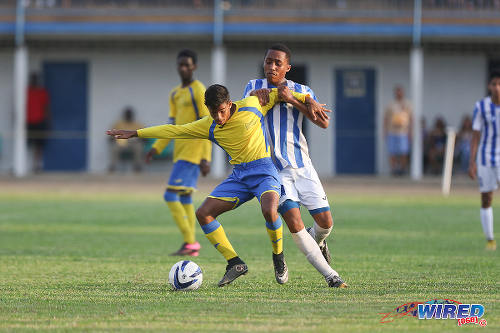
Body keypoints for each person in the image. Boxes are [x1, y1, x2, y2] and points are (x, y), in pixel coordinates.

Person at [107, 84, 333, 287]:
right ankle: (235, 262)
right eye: (213, 111)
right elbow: (175, 130)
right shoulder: (208, 125)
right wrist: (136, 133)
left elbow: (282, 93)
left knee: (269, 209)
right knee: (204, 213)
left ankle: (278, 257)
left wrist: (309, 100)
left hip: (265, 171)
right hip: (239, 177)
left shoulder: (253, 105)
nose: (218, 116)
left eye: (221, 111)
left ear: (230, 103)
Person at [243, 43, 347, 288]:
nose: (272, 66)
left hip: (302, 165)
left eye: (278, 63)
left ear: (287, 67)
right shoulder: (253, 87)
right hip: (272, 169)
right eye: (268, 61)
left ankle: (318, 240)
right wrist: (255, 100)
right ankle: (332, 276)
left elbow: (323, 123)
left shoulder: (302, 90)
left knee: (326, 223)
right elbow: (247, 110)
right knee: (293, 220)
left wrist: (296, 101)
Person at [145, 49, 212, 257]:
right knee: (184, 199)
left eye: (187, 65)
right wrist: (157, 147)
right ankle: (189, 244)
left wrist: (205, 157)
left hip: (192, 153)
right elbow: (171, 126)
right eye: (180, 64)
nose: (183, 68)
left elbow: (207, 124)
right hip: (180, 152)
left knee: (169, 195)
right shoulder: (175, 94)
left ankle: (191, 242)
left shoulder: (199, 90)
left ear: (194, 67)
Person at [468, 71, 500, 251]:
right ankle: (490, 239)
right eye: (494, 84)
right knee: (487, 198)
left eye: (499, 84)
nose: (497, 88)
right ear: (489, 87)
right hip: (486, 157)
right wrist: (471, 162)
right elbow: (475, 136)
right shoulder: (481, 107)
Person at [384, 85, 412, 176]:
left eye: (400, 92)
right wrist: (385, 131)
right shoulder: (391, 104)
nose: (399, 93)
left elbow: (411, 118)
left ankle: (403, 170)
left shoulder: (407, 104)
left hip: (403, 132)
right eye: (397, 92)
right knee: (392, 152)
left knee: (404, 152)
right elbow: (386, 118)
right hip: (392, 132)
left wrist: (410, 132)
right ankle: (394, 170)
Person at [26, 73, 50, 173]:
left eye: (35, 79)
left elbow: (46, 107)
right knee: (27, 144)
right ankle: (23, 166)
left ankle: (36, 166)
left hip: (40, 121)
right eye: (32, 79)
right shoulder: (25, 91)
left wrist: (47, 120)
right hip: (28, 122)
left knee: (39, 145)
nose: (34, 81)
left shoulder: (42, 92)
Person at [109, 107, 144, 172]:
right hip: (121, 143)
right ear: (124, 115)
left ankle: (137, 166)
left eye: (130, 114)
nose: (128, 116)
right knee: (114, 148)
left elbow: (144, 135)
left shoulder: (137, 124)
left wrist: (138, 138)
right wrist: (114, 138)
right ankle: (112, 166)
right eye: (127, 114)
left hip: (133, 143)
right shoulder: (118, 124)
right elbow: (110, 136)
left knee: (139, 147)